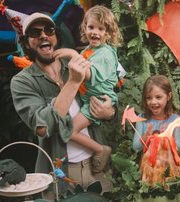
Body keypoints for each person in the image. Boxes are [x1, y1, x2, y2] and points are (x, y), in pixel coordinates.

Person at [10, 12, 115, 198]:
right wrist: (73, 82)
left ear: (56, 36)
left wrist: (110, 112)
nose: (43, 35)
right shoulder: (23, 82)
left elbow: (106, 90)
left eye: (49, 30)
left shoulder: (75, 62)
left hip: (98, 166)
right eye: (35, 32)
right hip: (62, 175)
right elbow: (43, 128)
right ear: (26, 43)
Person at [53, 5, 122, 174]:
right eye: (91, 27)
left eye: (101, 29)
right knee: (70, 130)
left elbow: (89, 74)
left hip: (97, 101)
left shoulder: (105, 53)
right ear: (85, 28)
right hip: (89, 98)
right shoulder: (90, 50)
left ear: (109, 33)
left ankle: (100, 149)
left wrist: (71, 54)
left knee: (69, 131)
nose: (95, 32)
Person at [132, 75, 180, 154]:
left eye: (158, 97)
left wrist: (167, 139)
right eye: (149, 98)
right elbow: (135, 147)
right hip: (147, 164)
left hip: (168, 164)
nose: (153, 102)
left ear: (168, 96)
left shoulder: (176, 120)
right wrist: (145, 138)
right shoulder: (141, 118)